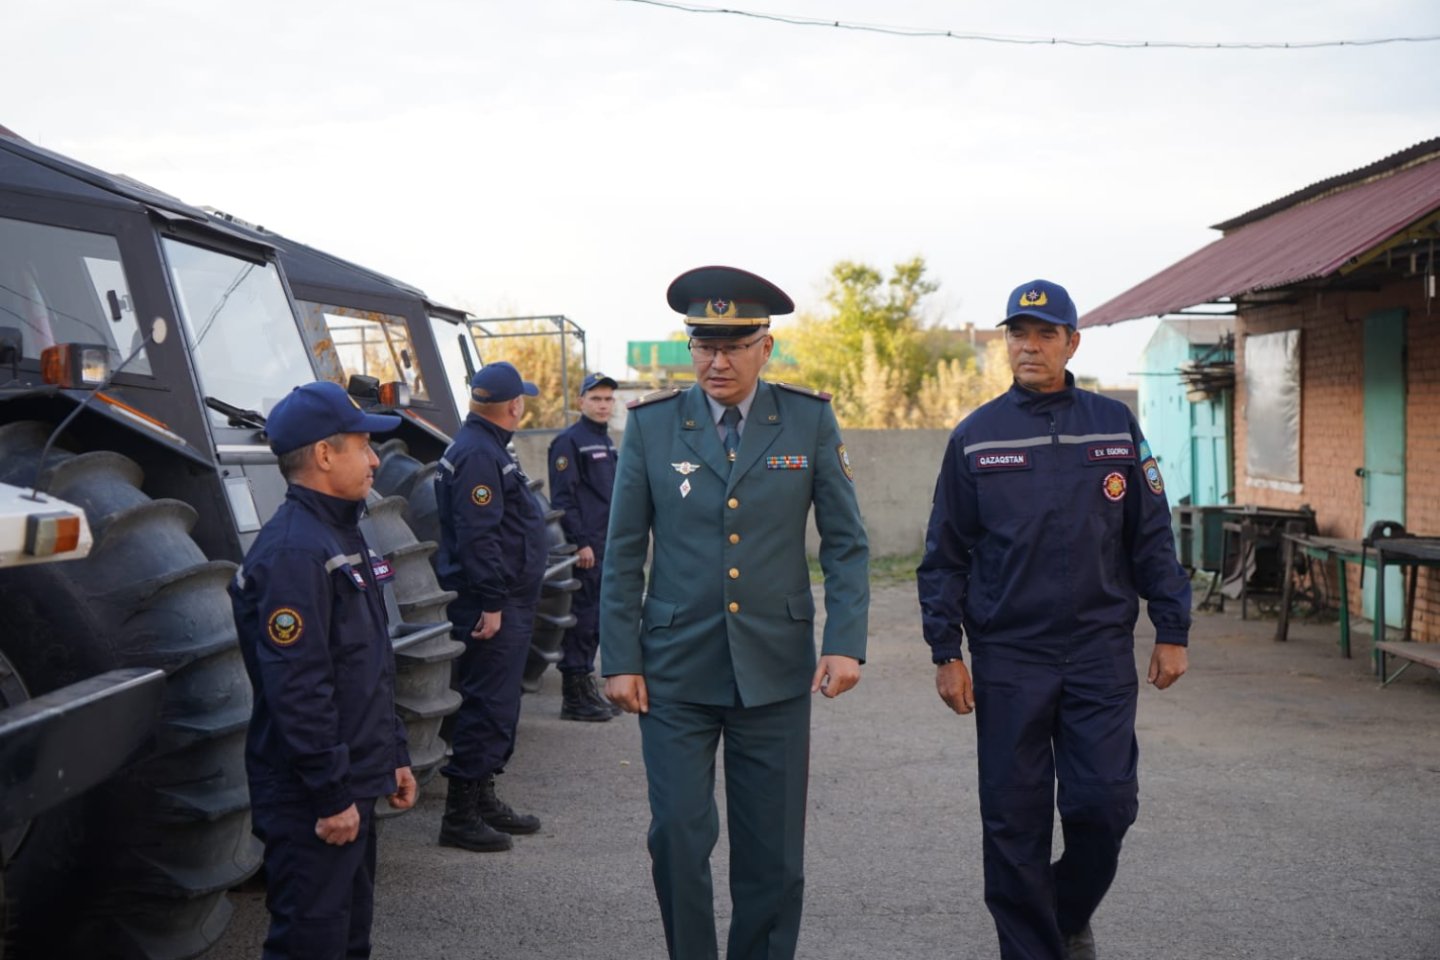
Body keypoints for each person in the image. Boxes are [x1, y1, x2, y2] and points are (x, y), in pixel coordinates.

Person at [600, 265, 870, 960]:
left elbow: (845, 542)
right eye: (702, 345)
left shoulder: (807, 419)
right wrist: (620, 657)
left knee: (773, 855)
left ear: (765, 347)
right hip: (674, 672)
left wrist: (846, 641)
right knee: (678, 837)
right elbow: (625, 550)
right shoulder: (655, 426)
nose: (716, 361)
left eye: (733, 346)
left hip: (774, 672)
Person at [916, 279, 1191, 960]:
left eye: (1044, 334)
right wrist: (944, 649)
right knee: (1014, 820)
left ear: (1072, 342)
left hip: (1099, 650)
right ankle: (1034, 948)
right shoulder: (976, 437)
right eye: (1018, 334)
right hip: (1011, 654)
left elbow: (1151, 533)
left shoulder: (1113, 423)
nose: (1028, 346)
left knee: (1105, 805)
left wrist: (1173, 628)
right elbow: (944, 552)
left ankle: (1065, 913)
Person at [230, 380, 417, 960]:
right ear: (324, 454)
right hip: (312, 795)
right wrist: (332, 793)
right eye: (362, 445)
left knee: (347, 940)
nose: (374, 458)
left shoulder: (342, 532)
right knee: (310, 943)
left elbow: (366, 666)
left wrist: (395, 754)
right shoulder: (295, 552)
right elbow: (300, 688)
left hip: (353, 779)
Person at [433, 360, 549, 852]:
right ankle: (460, 815)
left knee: (498, 703)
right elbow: (480, 537)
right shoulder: (480, 454)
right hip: (492, 604)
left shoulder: (485, 447)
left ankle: (482, 797)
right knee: (488, 705)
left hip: (504, 600)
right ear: (513, 405)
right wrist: (494, 601)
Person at [548, 370, 622, 722]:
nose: (603, 405)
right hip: (588, 547)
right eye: (596, 398)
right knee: (582, 618)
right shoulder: (569, 442)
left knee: (596, 620)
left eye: (608, 399)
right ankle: (574, 696)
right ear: (581, 402)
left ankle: (585, 687)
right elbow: (563, 497)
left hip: (606, 543)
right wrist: (579, 542)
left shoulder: (606, 442)